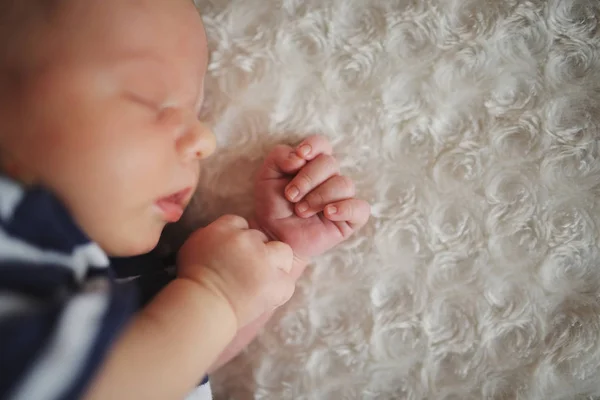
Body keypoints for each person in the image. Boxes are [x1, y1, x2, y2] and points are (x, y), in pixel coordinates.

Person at [0, 0, 370, 399]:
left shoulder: (102, 267)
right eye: (148, 98)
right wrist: (213, 294)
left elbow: (178, 362)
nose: (204, 139)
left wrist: (273, 253)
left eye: (196, 111)